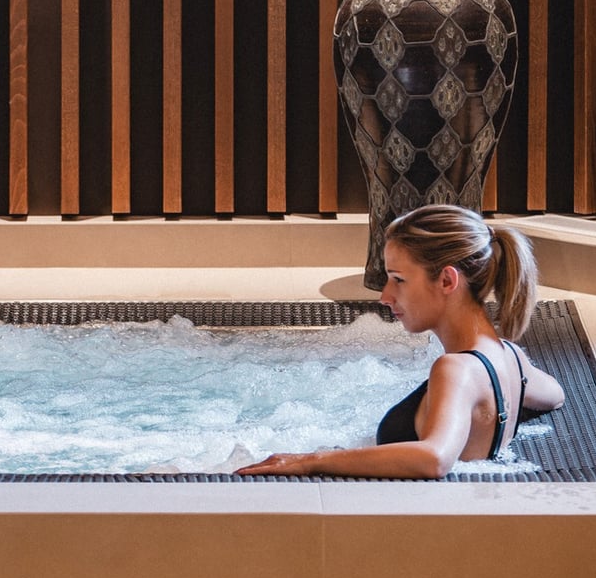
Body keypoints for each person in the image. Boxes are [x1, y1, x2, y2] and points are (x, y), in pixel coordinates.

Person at [236, 204, 565, 479]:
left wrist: (311, 461)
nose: (385, 295)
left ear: (448, 280)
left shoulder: (456, 369)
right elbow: (555, 396)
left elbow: (434, 458)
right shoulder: (510, 358)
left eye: (399, 280)